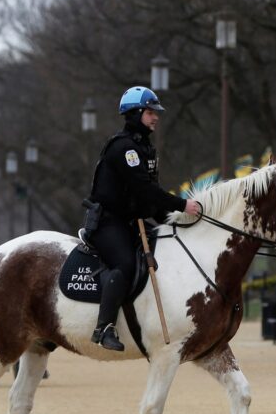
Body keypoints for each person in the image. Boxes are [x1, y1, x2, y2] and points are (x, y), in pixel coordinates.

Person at [79, 86, 199, 352]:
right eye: (150, 112)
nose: (156, 117)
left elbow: (148, 199)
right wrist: (182, 205)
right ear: (134, 113)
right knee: (125, 264)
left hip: (131, 222)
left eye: (156, 112)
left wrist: (174, 220)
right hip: (108, 222)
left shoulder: (144, 147)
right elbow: (145, 190)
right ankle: (104, 327)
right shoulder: (124, 148)